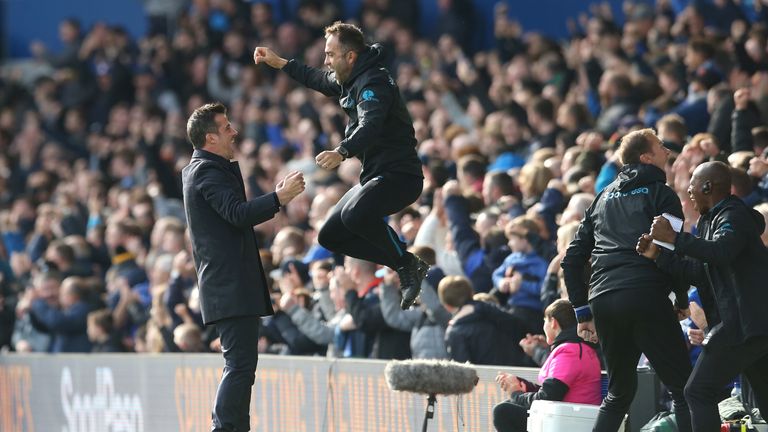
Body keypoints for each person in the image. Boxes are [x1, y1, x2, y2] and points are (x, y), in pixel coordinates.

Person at [254, 21, 428, 309]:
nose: (326, 61)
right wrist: (281, 63)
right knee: (330, 235)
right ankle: (405, 263)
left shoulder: (373, 82)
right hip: (376, 177)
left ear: (350, 57)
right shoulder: (352, 76)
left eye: (331, 55)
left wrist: (342, 151)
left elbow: (370, 124)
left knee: (355, 216)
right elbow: (320, 81)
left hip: (400, 176)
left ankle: (406, 263)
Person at [182, 102, 305, 432]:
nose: (234, 132)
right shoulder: (206, 172)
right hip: (229, 285)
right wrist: (279, 198)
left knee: (241, 365)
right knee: (238, 365)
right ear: (210, 138)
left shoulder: (202, 169)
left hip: (229, 284)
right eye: (226, 128)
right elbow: (237, 214)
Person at [561, 128, 693, 432]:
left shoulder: (601, 197)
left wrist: (583, 311)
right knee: (685, 390)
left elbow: (571, 260)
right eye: (661, 146)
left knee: (619, 393)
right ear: (646, 157)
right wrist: (682, 300)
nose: (667, 151)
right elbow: (669, 252)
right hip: (645, 295)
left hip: (604, 300)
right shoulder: (663, 194)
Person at [638, 161, 768, 432]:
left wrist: (675, 238)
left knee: (698, 391)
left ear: (708, 186)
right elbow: (699, 272)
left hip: (746, 325)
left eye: (693, 187)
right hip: (751, 327)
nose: (689, 193)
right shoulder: (710, 222)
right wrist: (659, 255)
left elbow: (720, 251)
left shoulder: (733, 215)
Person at [492, 299, 602, 432]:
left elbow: (548, 397)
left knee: (503, 412)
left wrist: (516, 393)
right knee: (508, 406)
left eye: (545, 321)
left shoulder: (570, 352)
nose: (544, 326)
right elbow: (554, 390)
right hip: (567, 416)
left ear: (553, 322)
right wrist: (524, 385)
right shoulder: (574, 348)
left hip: (571, 421)